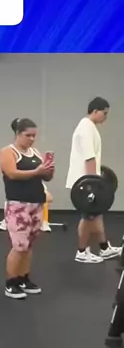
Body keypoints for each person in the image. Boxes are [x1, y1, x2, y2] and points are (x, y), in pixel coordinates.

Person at [0, 118, 55, 299]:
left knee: (29, 246)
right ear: (18, 133)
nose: (32, 139)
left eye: (34, 136)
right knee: (19, 247)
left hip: (36, 204)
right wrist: (37, 171)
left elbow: (45, 178)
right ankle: (11, 283)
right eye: (28, 135)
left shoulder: (35, 153)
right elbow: (12, 174)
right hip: (18, 206)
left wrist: (48, 171)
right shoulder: (8, 152)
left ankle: (23, 279)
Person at [65, 97, 121, 264]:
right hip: (85, 183)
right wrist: (93, 185)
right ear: (95, 111)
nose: (106, 117)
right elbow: (89, 158)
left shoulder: (89, 127)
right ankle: (82, 252)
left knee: (96, 215)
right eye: (104, 113)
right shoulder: (86, 128)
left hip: (88, 180)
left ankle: (104, 248)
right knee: (89, 218)